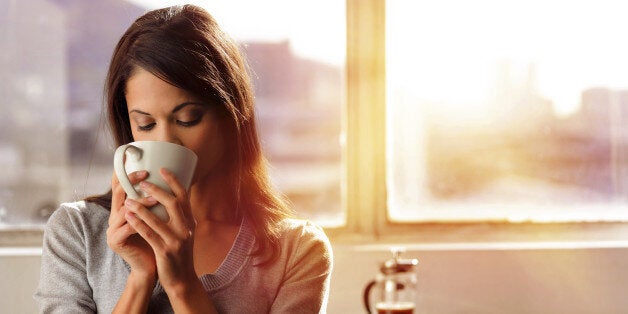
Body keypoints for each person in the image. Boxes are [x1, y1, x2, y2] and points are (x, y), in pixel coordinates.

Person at [34, 4, 333, 313]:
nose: (165, 141)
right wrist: (140, 277)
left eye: (188, 118)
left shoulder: (296, 250)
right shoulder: (78, 232)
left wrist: (182, 286)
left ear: (232, 115)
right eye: (146, 124)